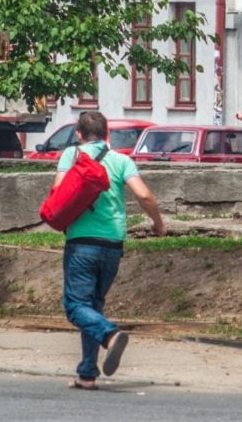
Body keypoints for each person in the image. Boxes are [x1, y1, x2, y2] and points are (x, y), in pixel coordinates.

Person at [56, 110, 165, 391]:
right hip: (113, 244)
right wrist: (158, 224)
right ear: (108, 135)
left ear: (78, 134)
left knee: (75, 306)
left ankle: (110, 335)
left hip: (82, 242)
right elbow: (143, 195)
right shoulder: (121, 160)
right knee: (93, 306)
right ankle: (87, 374)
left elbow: (58, 192)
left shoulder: (72, 156)